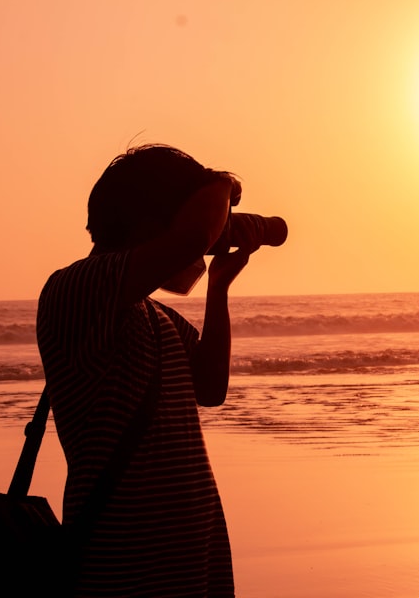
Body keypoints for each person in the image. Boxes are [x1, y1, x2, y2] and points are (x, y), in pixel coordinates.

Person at [37, 144, 257, 597]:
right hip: (120, 571)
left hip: (191, 564)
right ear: (149, 221)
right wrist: (221, 185)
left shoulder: (154, 314)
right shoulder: (76, 287)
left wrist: (218, 287)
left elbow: (211, 386)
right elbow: (194, 236)